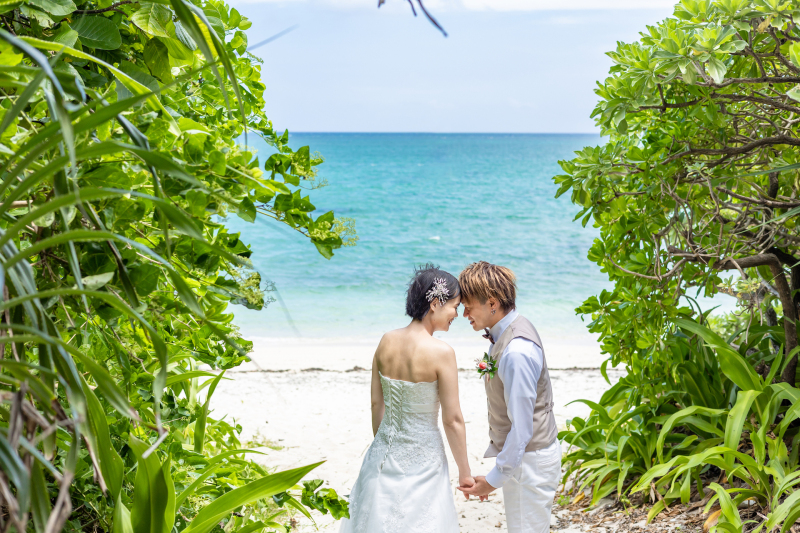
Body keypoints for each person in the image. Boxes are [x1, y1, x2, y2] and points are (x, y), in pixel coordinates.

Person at [340, 264, 473, 533]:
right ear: (436, 303)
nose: (456, 314)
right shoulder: (442, 352)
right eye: (455, 306)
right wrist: (465, 472)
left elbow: (377, 404)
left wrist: (385, 444)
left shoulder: (386, 341)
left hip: (382, 452)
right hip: (425, 460)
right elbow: (453, 419)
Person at [456, 261, 561, 533]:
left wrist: (492, 480)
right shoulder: (511, 329)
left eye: (468, 306)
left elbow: (523, 428)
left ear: (492, 303)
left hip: (531, 462)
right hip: (526, 459)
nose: (463, 312)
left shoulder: (516, 352)